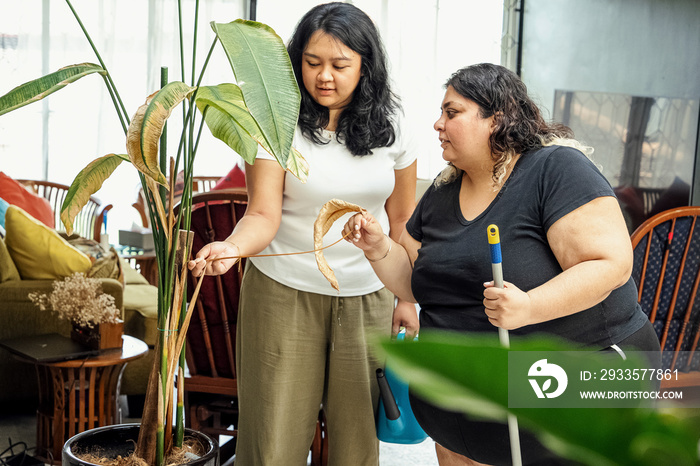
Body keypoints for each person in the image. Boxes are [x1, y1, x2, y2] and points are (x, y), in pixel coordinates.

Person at [343, 63, 661, 466]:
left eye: (452, 112)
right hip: (464, 415)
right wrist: (377, 248)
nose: (438, 124)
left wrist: (529, 307)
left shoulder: (555, 169)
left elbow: (609, 264)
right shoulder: (443, 191)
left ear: (499, 118)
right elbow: (413, 282)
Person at [188, 3, 418, 465]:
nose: (324, 76)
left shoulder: (394, 129)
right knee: (272, 442)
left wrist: (408, 298)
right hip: (282, 296)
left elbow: (404, 225)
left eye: (339, 65)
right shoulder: (275, 124)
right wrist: (232, 247)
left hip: (369, 298)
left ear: (365, 66)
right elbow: (262, 215)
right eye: (312, 63)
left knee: (356, 447)